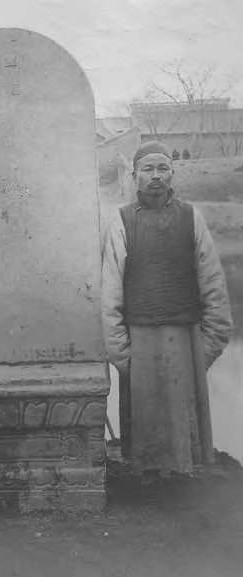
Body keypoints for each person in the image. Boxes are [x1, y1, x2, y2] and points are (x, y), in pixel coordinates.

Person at [101, 140, 232, 480]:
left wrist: (207, 346)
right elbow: (111, 290)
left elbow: (213, 283)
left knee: (182, 433)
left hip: (185, 338)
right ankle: (148, 487)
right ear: (134, 176)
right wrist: (122, 354)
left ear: (173, 175)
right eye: (148, 169)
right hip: (140, 342)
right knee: (146, 440)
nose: (155, 177)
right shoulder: (122, 221)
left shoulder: (191, 218)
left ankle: (183, 485)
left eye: (163, 169)